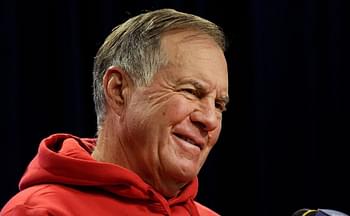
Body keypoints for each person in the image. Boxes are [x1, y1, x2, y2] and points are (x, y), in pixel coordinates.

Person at [1, 8, 229, 216]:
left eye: (219, 104)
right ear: (119, 90)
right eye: (191, 91)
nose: (209, 119)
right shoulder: (43, 212)